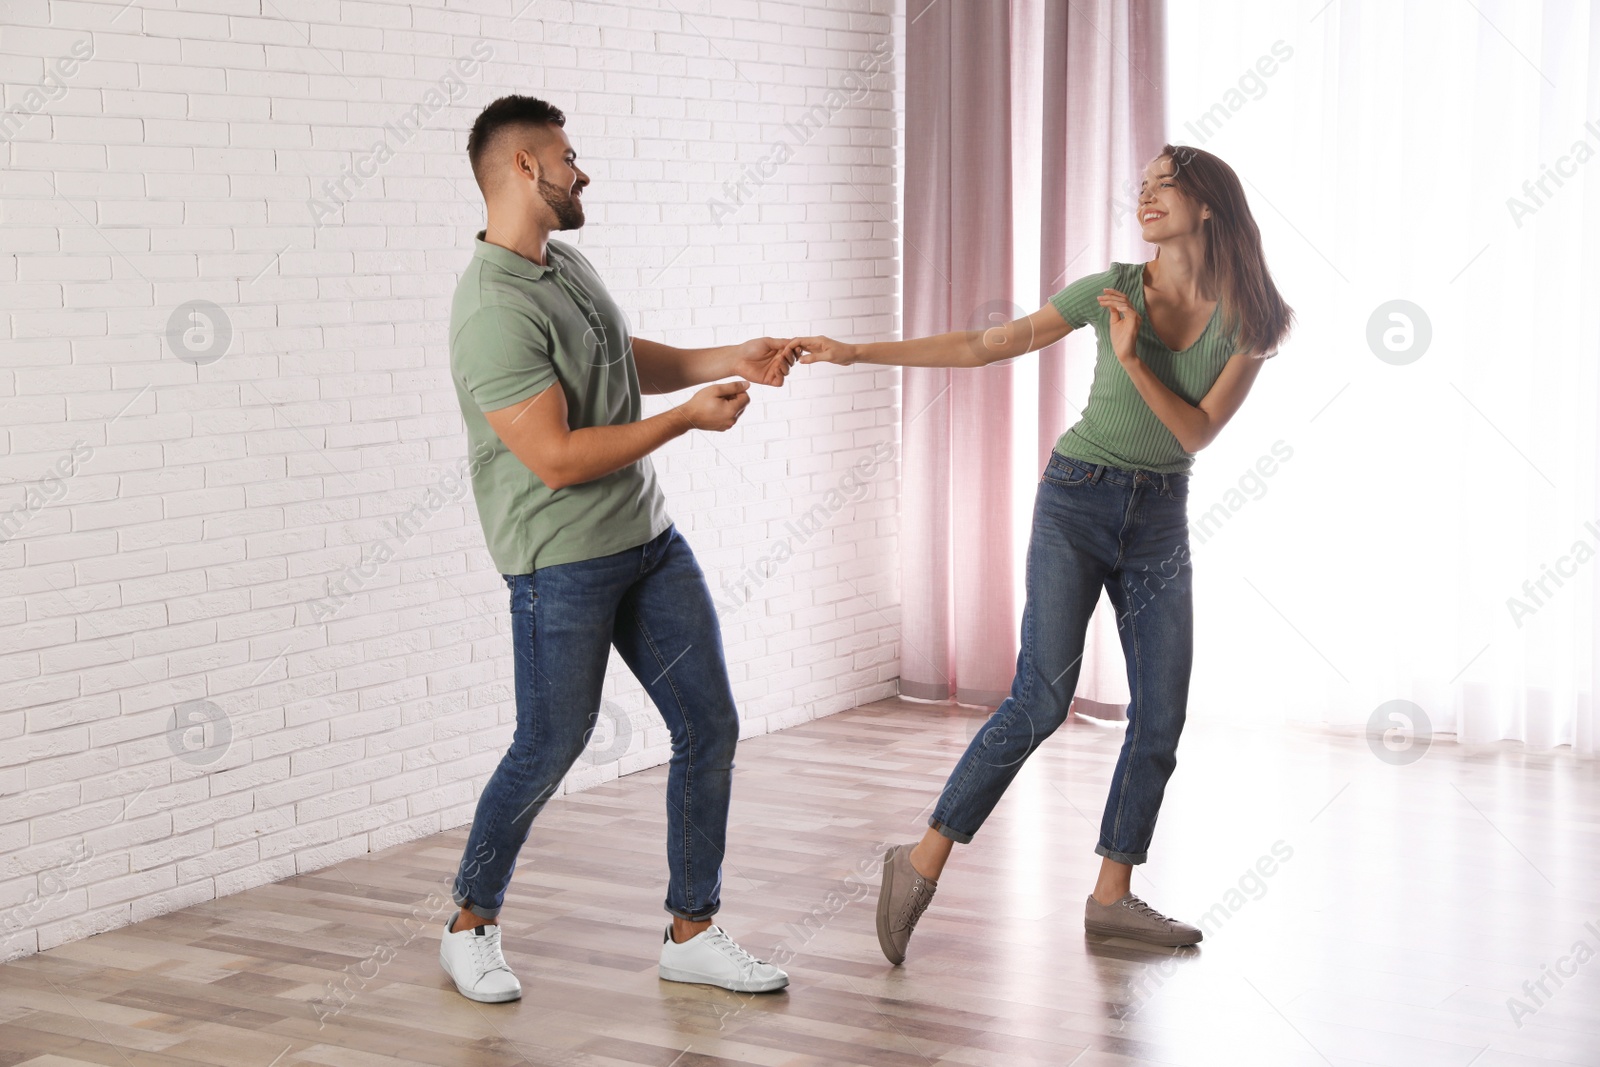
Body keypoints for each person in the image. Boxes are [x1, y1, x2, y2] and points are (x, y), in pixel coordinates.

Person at [790, 144, 1294, 958]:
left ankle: (1111, 894)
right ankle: (917, 861)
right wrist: (857, 351)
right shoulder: (1110, 290)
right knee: (1040, 698)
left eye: (1167, 183)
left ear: (1208, 204)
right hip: (1076, 499)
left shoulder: (1254, 319)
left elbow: (1195, 431)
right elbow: (987, 344)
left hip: (1160, 515)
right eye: (1144, 184)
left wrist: (1132, 358)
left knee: (1160, 713)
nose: (1148, 194)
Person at [441, 94, 798, 1001]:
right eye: (567, 156)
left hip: (647, 541)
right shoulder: (489, 311)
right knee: (550, 743)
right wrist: (685, 421)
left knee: (708, 723)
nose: (581, 169)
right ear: (524, 168)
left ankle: (693, 928)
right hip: (559, 561)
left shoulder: (565, 264)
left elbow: (619, 357)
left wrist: (729, 358)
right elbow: (555, 458)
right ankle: (470, 922)